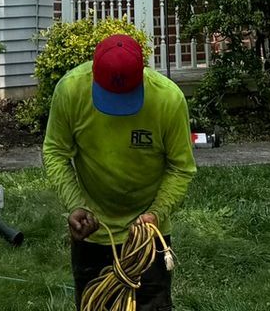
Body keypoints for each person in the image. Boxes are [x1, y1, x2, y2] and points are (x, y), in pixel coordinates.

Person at [42, 33, 196, 310]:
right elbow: (55, 152)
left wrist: (157, 214)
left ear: (142, 74)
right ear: (94, 75)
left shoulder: (168, 100)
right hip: (93, 232)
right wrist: (76, 204)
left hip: (147, 238)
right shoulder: (70, 91)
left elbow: (181, 168)